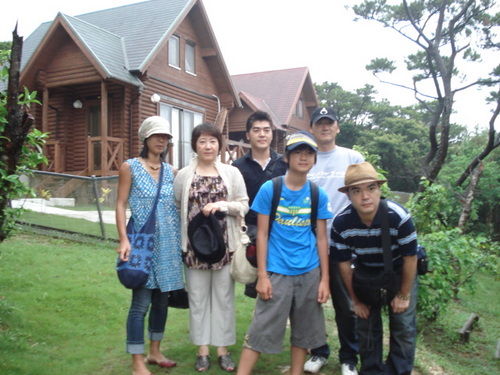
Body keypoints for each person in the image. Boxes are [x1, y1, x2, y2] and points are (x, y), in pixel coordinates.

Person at [236, 131, 333, 375]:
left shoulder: (317, 194)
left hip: (309, 271)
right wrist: (262, 276)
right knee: (261, 328)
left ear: (314, 159)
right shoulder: (271, 189)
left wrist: (324, 279)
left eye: (309, 153)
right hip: (276, 271)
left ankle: (296, 372)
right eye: (297, 152)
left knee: (303, 331)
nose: (303, 157)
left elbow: (322, 238)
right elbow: (263, 235)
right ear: (287, 158)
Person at [173, 122, 249, 373]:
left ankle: (223, 349)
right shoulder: (184, 174)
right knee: (197, 299)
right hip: (194, 248)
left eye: (213, 141)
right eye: (202, 141)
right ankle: (202, 350)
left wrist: (224, 206)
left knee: (224, 299)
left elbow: (244, 205)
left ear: (220, 144)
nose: (208, 146)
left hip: (224, 247)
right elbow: (177, 206)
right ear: (195, 144)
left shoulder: (231, 173)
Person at [331, 162, 418, 375]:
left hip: (400, 272)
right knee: (366, 326)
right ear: (349, 195)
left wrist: (404, 295)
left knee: (403, 327)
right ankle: (371, 371)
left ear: (379, 190)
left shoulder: (398, 216)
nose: (365, 196)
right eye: (357, 191)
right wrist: (356, 301)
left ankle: (398, 371)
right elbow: (343, 265)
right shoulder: (341, 223)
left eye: (371, 188)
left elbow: (410, 257)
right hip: (366, 273)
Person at [116, 116, 183, 375]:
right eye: (157, 136)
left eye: (165, 137)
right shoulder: (129, 167)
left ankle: (155, 352)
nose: (161, 141)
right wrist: (124, 239)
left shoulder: (172, 171)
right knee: (140, 304)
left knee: (162, 302)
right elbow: (120, 204)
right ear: (145, 138)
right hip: (142, 244)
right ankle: (137, 362)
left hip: (168, 244)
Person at [305, 106, 364, 375]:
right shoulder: (305, 159)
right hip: (310, 244)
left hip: (344, 246)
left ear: (337, 127)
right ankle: (318, 351)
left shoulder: (352, 157)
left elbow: (364, 196)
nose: (325, 127)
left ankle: (349, 357)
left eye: (330, 123)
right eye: (320, 123)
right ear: (313, 129)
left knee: (346, 304)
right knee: (312, 302)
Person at [231, 110, 287, 298]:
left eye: (266, 130)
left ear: (272, 133)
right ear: (248, 135)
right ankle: (262, 323)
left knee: (281, 280)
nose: (262, 134)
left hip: (281, 228)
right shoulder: (238, 166)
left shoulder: (284, 164)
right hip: (252, 231)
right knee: (258, 283)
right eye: (256, 130)